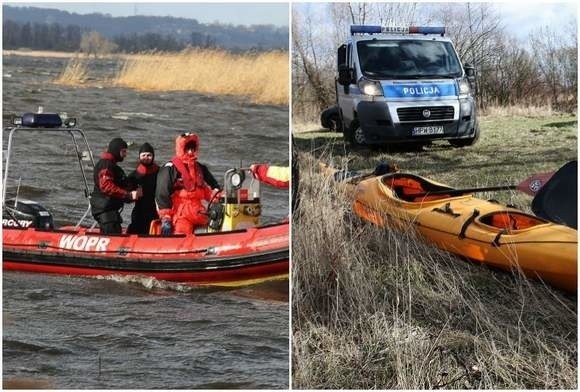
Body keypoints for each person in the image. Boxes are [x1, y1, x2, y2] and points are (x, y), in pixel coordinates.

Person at [155, 133, 220, 235]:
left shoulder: (199, 168)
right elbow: (162, 192)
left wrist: (220, 198)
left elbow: (207, 189)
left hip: (199, 213)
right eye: (187, 149)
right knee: (181, 236)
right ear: (182, 149)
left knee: (215, 229)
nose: (190, 152)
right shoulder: (170, 168)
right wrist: (166, 217)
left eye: (192, 149)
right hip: (181, 214)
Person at [91, 137, 142, 234]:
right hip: (105, 210)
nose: (125, 155)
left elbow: (121, 186)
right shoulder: (106, 165)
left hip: (110, 210)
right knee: (113, 235)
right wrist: (128, 195)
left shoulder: (114, 167)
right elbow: (106, 186)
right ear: (116, 150)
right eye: (123, 151)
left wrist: (132, 192)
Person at [127, 142, 160, 234]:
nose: (146, 158)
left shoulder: (160, 172)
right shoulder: (134, 175)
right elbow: (126, 197)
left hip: (155, 211)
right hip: (139, 211)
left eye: (149, 155)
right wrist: (133, 195)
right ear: (139, 157)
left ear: (153, 156)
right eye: (143, 155)